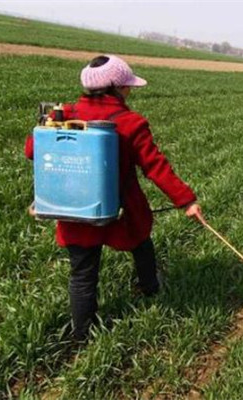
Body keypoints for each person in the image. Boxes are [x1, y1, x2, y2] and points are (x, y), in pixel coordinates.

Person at [24, 54, 204, 341]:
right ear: (117, 89)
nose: (130, 90)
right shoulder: (131, 122)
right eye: (128, 86)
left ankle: (82, 334)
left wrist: (47, 124)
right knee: (142, 244)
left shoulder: (63, 114)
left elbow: (32, 152)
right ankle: (150, 288)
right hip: (121, 210)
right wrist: (186, 201)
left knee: (82, 274)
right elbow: (155, 166)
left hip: (74, 208)